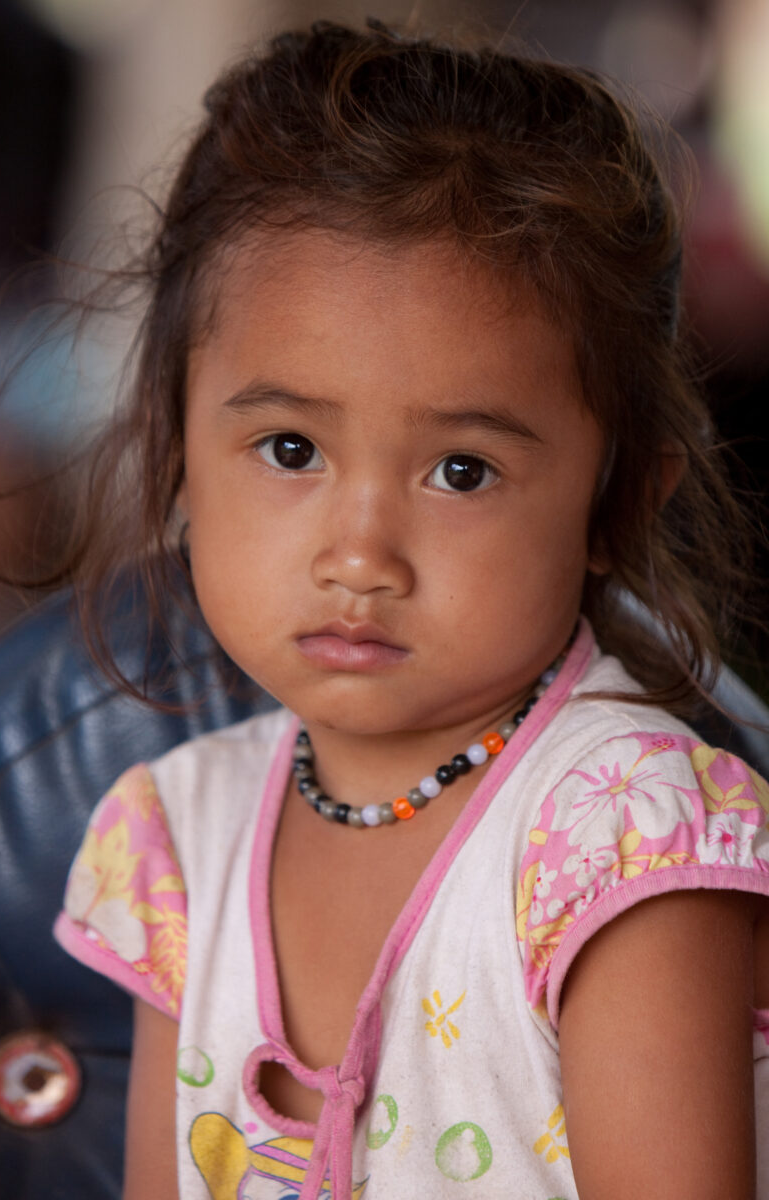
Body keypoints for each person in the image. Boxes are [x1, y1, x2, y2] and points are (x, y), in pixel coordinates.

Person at [52, 20, 769, 1199]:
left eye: (460, 472)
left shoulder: (617, 839)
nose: (360, 556)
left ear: (615, 505)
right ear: (177, 453)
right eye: (290, 449)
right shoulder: (174, 842)